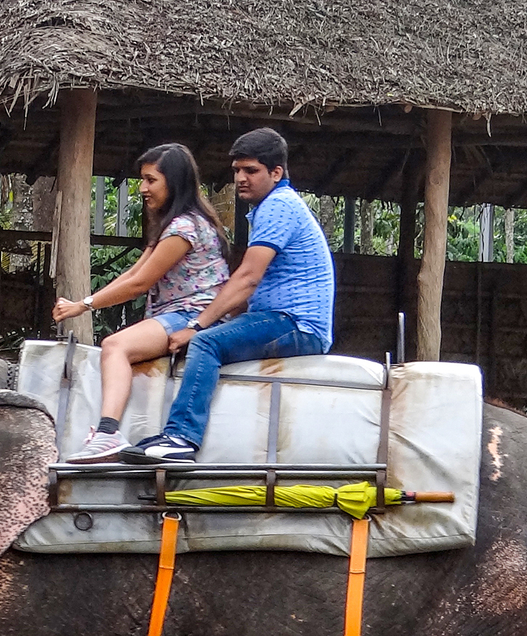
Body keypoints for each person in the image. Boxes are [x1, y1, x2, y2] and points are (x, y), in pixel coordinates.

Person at [122, 128, 335, 463]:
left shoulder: (278, 206)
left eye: (251, 170)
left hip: (296, 324)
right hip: (279, 319)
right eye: (236, 170)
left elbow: (248, 278)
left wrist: (196, 325)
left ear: (276, 172)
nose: (240, 178)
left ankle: (181, 438)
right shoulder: (272, 207)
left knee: (206, 342)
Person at [53, 142, 232, 463]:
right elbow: (133, 273)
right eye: (143, 179)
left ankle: (107, 433)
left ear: (173, 182)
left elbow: (139, 284)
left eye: (151, 180)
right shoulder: (171, 225)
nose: (142, 188)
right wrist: (84, 301)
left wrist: (83, 306)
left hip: (192, 316)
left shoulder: (184, 228)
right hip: (178, 313)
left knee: (115, 346)